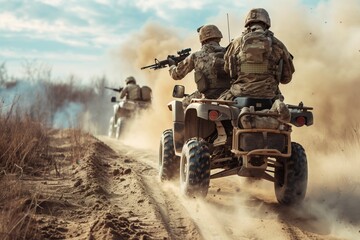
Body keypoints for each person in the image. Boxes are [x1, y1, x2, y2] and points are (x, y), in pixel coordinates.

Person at [222, 8, 295, 122]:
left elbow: (227, 70)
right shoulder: (278, 45)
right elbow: (286, 78)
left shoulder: (236, 43)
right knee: (282, 115)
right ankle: (274, 111)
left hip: (240, 92)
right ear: (267, 23)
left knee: (217, 107)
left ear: (248, 24)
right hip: (269, 94)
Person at [168, 24, 231, 101]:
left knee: (182, 104)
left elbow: (177, 74)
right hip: (229, 95)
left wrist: (172, 65)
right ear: (219, 38)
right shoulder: (229, 52)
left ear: (202, 40)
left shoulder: (196, 56)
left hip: (207, 96)